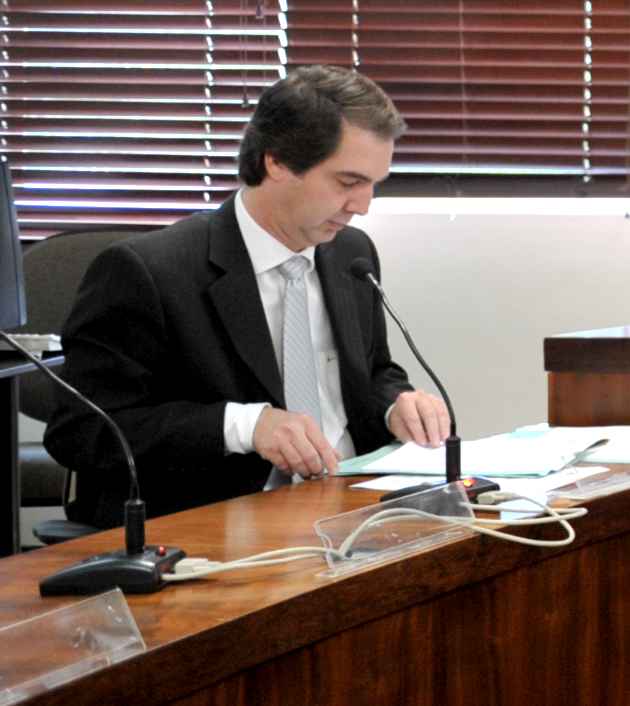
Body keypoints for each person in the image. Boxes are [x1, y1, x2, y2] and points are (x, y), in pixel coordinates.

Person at [46, 67, 450, 527]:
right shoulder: (150, 271)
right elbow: (82, 430)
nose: (363, 205)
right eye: (347, 182)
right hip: (224, 520)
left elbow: (372, 372)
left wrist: (397, 405)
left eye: (375, 183)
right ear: (277, 162)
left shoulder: (351, 253)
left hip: (355, 504)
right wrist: (243, 426)